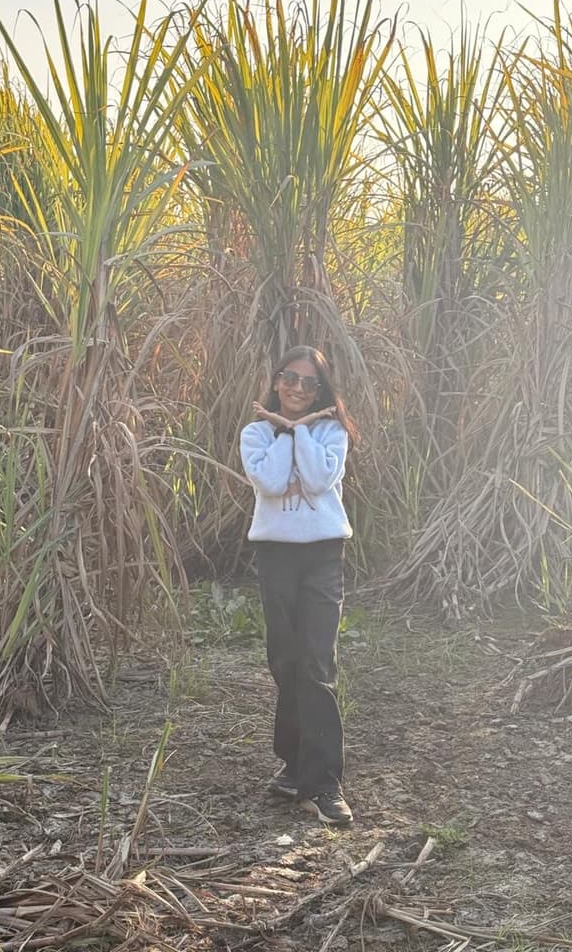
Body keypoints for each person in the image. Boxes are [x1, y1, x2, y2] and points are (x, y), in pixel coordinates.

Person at [239, 345, 358, 827]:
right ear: (276, 380)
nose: (297, 388)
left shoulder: (332, 432)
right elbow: (270, 483)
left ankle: (324, 783)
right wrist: (284, 431)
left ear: (320, 390)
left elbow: (317, 479)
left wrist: (299, 429)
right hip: (276, 555)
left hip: (323, 553)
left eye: (310, 383)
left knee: (317, 663)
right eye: (290, 377)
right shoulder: (255, 433)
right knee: (285, 660)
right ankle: (293, 765)